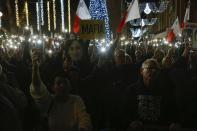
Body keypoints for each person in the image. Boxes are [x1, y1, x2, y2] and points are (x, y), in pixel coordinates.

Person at [30, 50, 92, 131]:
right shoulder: (49, 101)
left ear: (70, 87)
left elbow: (84, 118)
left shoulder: (76, 100)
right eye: (58, 83)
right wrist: (35, 68)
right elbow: (38, 88)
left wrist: (83, 128)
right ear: (53, 87)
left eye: (65, 83)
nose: (62, 85)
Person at [124, 59, 178, 127]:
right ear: (141, 71)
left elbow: (172, 109)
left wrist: (174, 122)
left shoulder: (165, 90)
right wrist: (131, 121)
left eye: (157, 69)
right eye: (150, 68)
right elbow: (126, 110)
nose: (154, 71)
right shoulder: (132, 90)